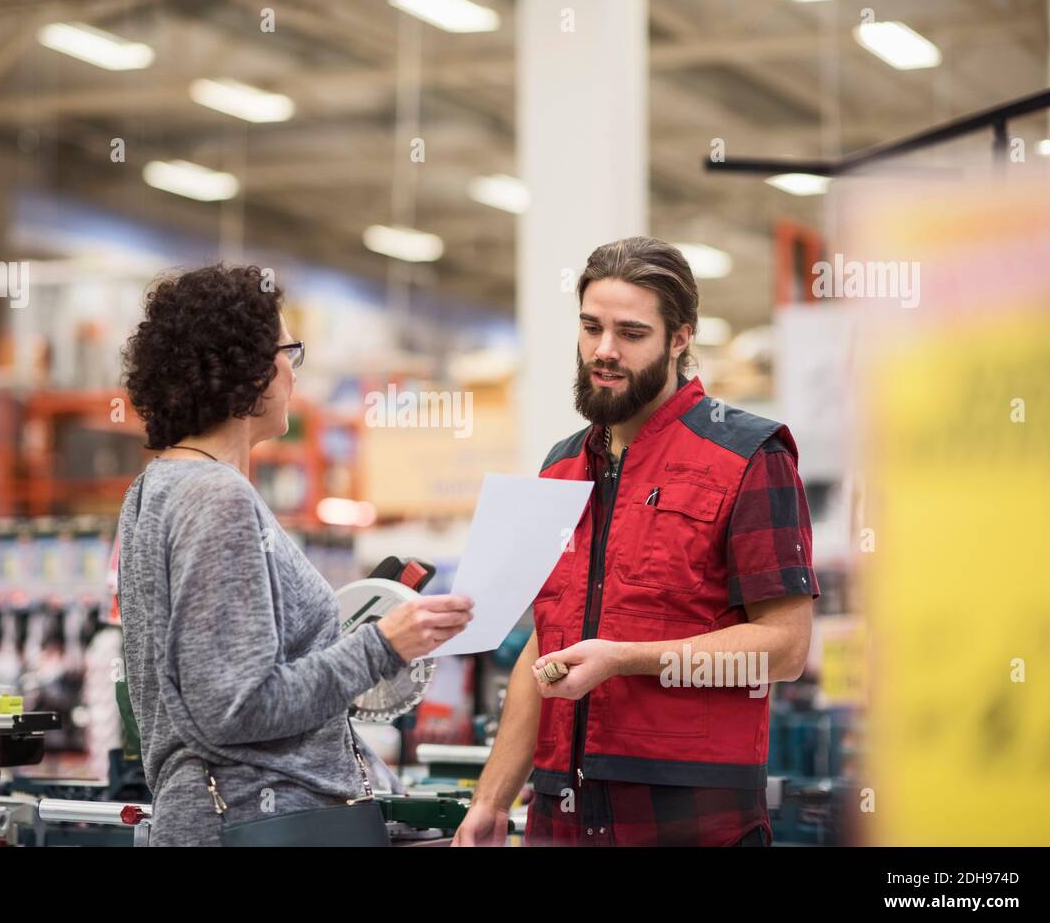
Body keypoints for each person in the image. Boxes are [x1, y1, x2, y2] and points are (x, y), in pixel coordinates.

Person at [452, 236, 817, 847]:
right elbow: (545, 644)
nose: (604, 351)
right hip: (559, 814)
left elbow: (783, 649)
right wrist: (491, 799)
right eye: (590, 327)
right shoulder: (560, 468)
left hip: (690, 816)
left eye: (631, 333)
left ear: (680, 338)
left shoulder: (749, 456)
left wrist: (626, 659)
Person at [117, 263, 473, 846]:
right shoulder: (216, 497)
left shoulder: (153, 490)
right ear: (245, 367)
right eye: (288, 352)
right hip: (259, 819)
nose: (292, 372)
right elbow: (238, 707)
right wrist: (382, 646)